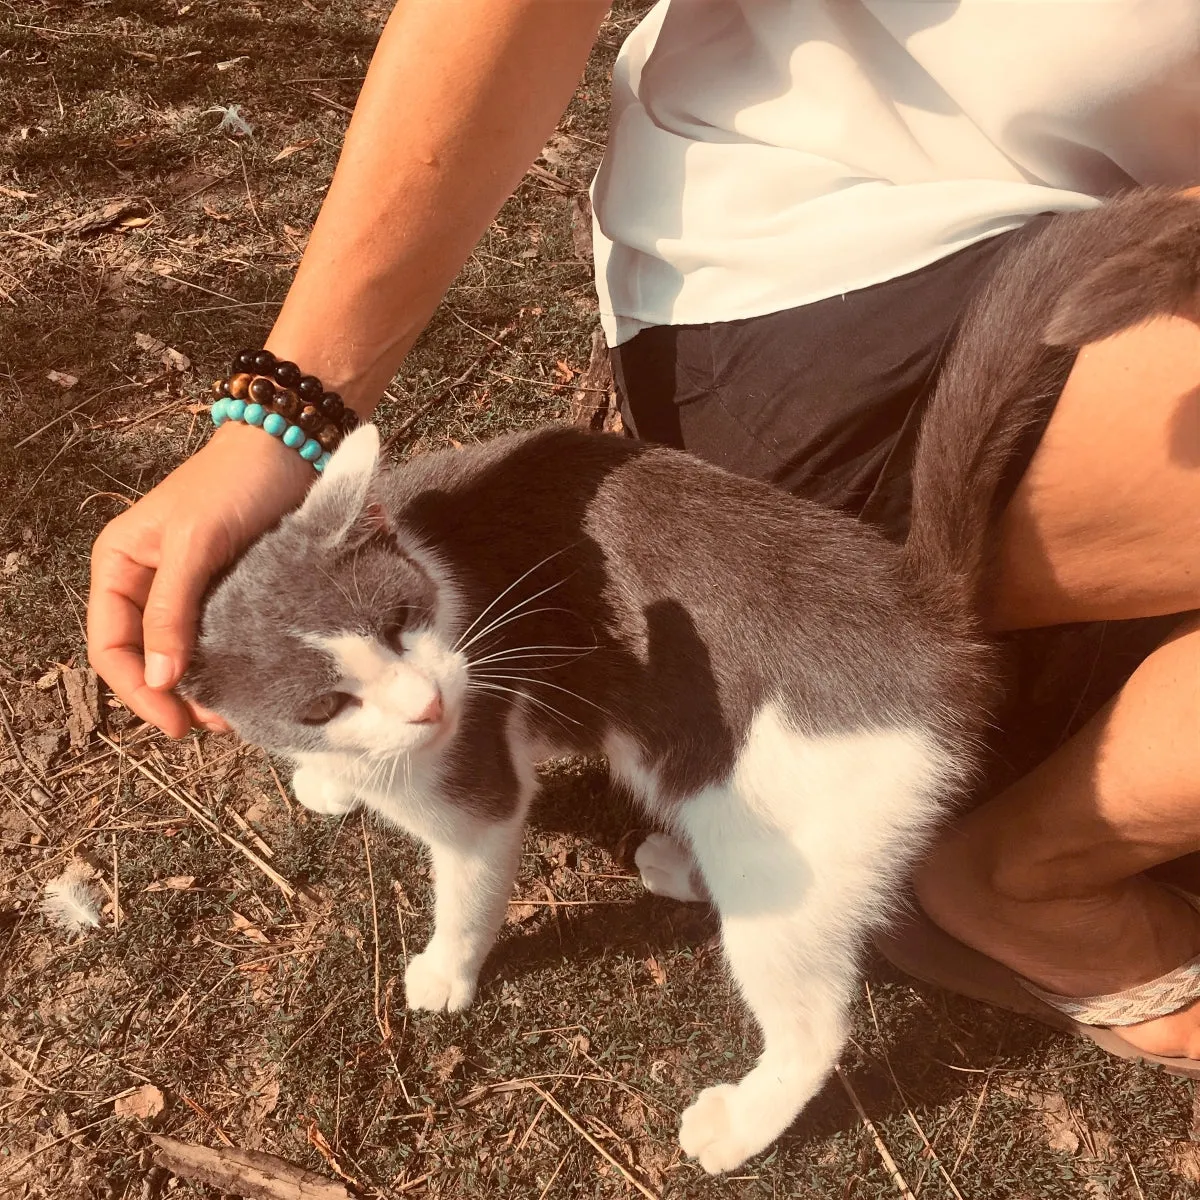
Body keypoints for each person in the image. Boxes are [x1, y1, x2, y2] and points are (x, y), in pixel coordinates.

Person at [88, 0, 1200, 1068]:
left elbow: (478, 794)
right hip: (823, 263)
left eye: (405, 634)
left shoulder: (428, 610)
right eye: (330, 708)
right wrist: (280, 419)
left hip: (1041, 256)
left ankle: (987, 823)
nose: (426, 699)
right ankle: (1039, 860)